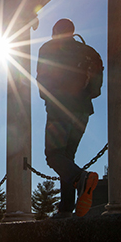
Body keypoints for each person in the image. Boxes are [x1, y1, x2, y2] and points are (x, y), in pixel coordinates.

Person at [36, 18, 100, 218]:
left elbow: (42, 80)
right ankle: (65, 209)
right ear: (73, 32)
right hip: (82, 112)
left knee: (54, 156)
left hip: (59, 109)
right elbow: (96, 90)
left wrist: (49, 98)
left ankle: (81, 178)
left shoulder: (48, 48)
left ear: (55, 32)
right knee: (67, 158)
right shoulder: (90, 52)